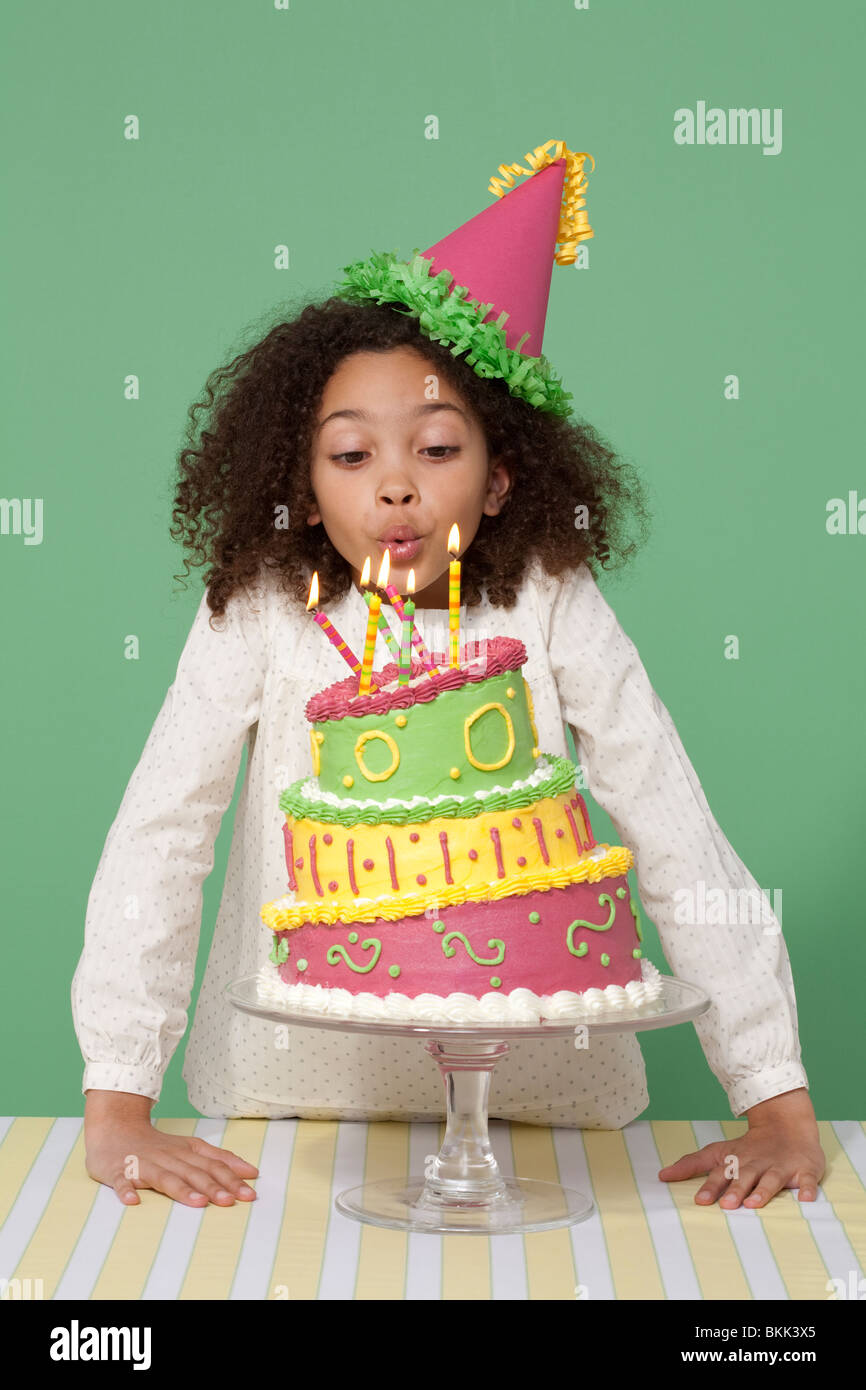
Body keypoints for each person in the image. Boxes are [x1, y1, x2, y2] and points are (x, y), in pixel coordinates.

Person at [74, 140, 826, 1212]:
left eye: (434, 450)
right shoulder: (260, 611)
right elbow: (160, 836)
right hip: (284, 1106)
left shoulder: (552, 601)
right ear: (300, 478)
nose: (395, 489)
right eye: (350, 456)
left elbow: (673, 827)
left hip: (546, 1111)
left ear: (502, 473)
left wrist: (773, 1097)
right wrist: (117, 1096)